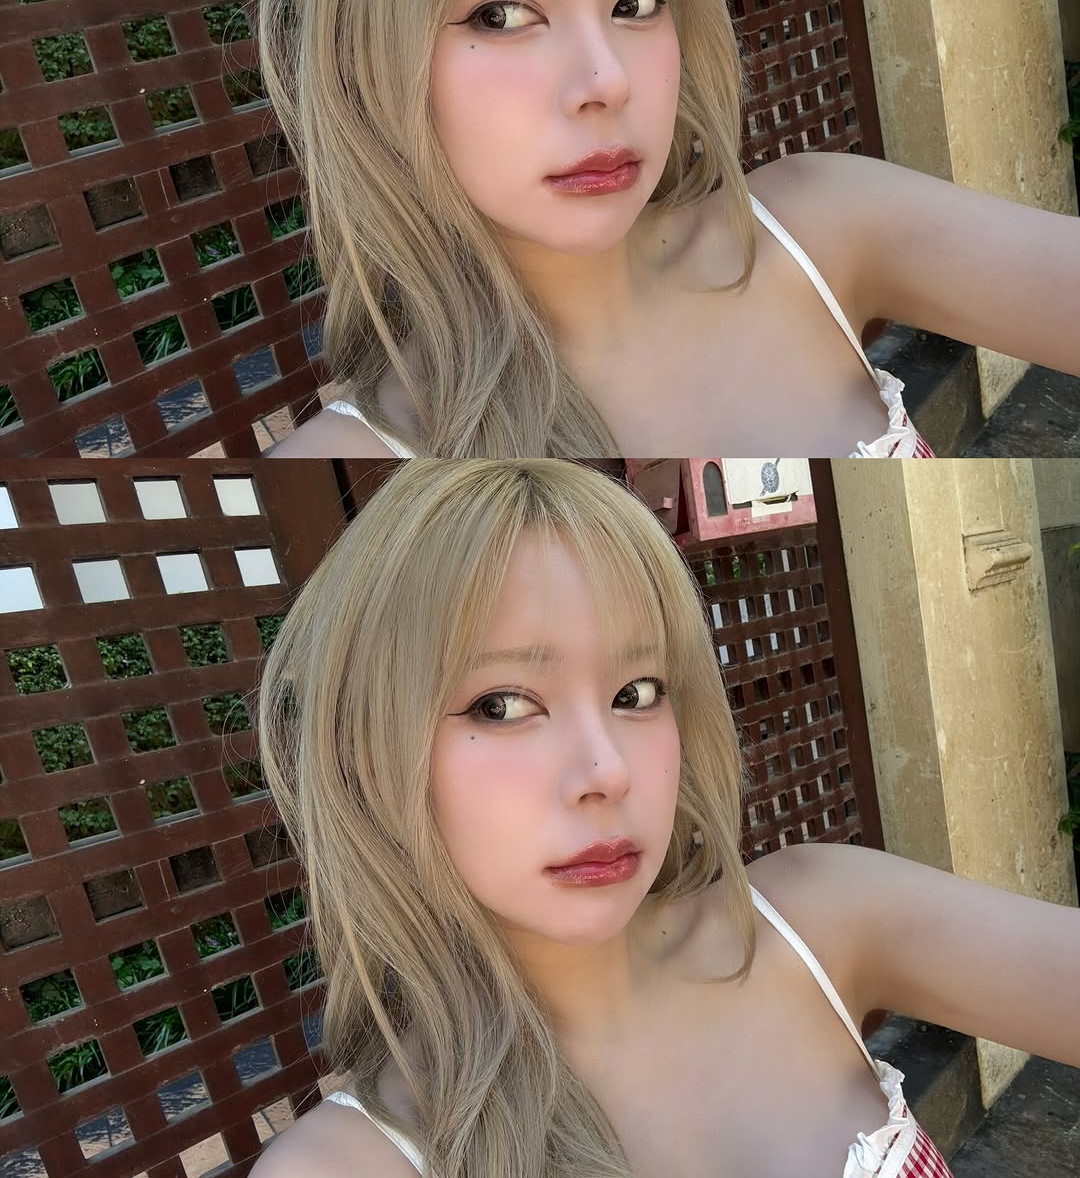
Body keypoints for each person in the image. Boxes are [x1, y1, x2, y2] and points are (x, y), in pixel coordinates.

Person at [251, 458, 1079, 1177]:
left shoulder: (818, 922)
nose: (607, 771)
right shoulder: (350, 1164)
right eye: (501, 704)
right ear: (364, 746)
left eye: (636, 692)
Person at [255, 0, 1078, 461]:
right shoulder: (356, 452)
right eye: (501, 14)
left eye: (637, 1)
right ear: (366, 58)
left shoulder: (822, 227)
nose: (607, 80)